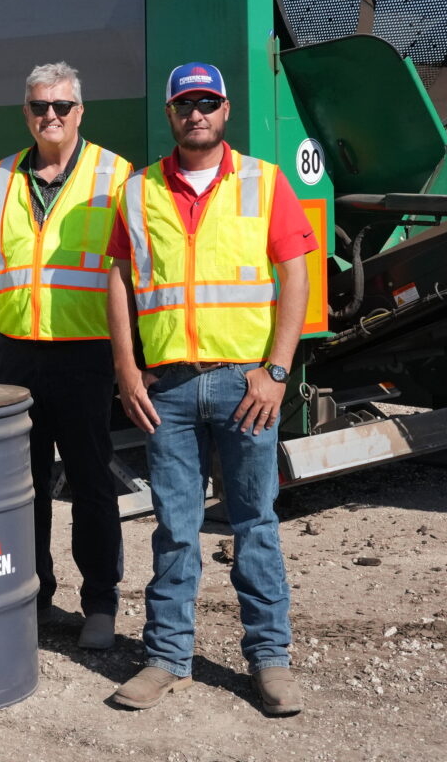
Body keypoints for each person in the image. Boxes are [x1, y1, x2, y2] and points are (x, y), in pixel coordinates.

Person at [103, 64, 315, 717]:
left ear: (225, 110)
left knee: (254, 523)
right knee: (174, 527)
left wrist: (277, 369)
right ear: (170, 113)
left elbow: (296, 275)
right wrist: (126, 370)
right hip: (165, 388)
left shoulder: (263, 182)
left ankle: (270, 663)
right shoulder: (137, 191)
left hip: (243, 384)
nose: (197, 113)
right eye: (185, 103)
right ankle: (167, 658)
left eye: (208, 102)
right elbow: (117, 278)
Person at [0, 62, 132, 650]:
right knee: (25, 484)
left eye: (62, 107)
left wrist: (128, 357)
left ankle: (100, 602)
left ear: (80, 112)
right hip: (16, 351)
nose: (51, 117)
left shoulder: (115, 175)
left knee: (92, 482)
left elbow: (131, 270)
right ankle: (33, 593)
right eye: (40, 107)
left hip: (84, 350)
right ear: (26, 112)